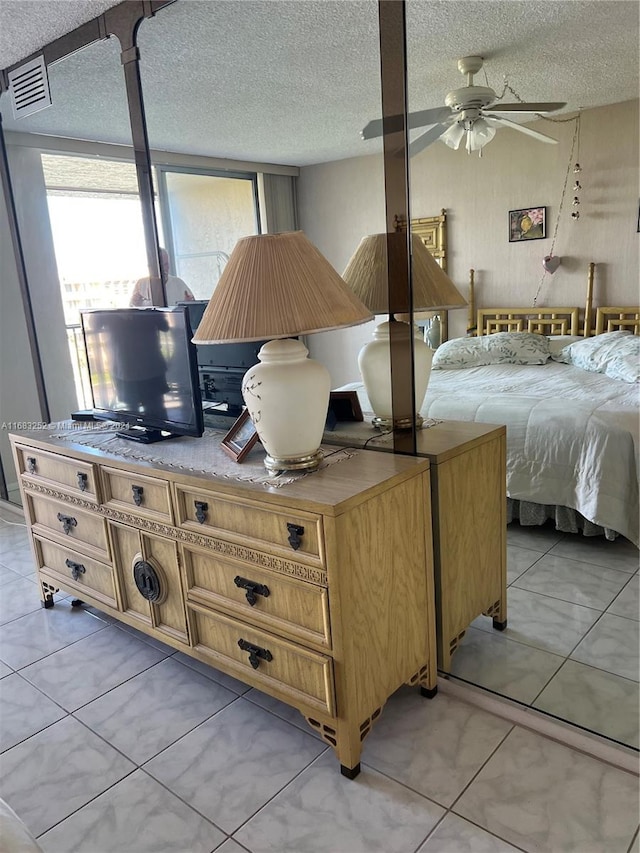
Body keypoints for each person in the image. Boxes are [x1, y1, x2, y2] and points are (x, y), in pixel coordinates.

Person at [130, 247, 195, 306]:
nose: (164, 269)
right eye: (160, 265)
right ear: (150, 266)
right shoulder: (141, 284)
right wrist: (135, 304)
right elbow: (131, 310)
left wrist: (190, 304)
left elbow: (193, 307)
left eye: (166, 264)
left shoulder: (179, 283)